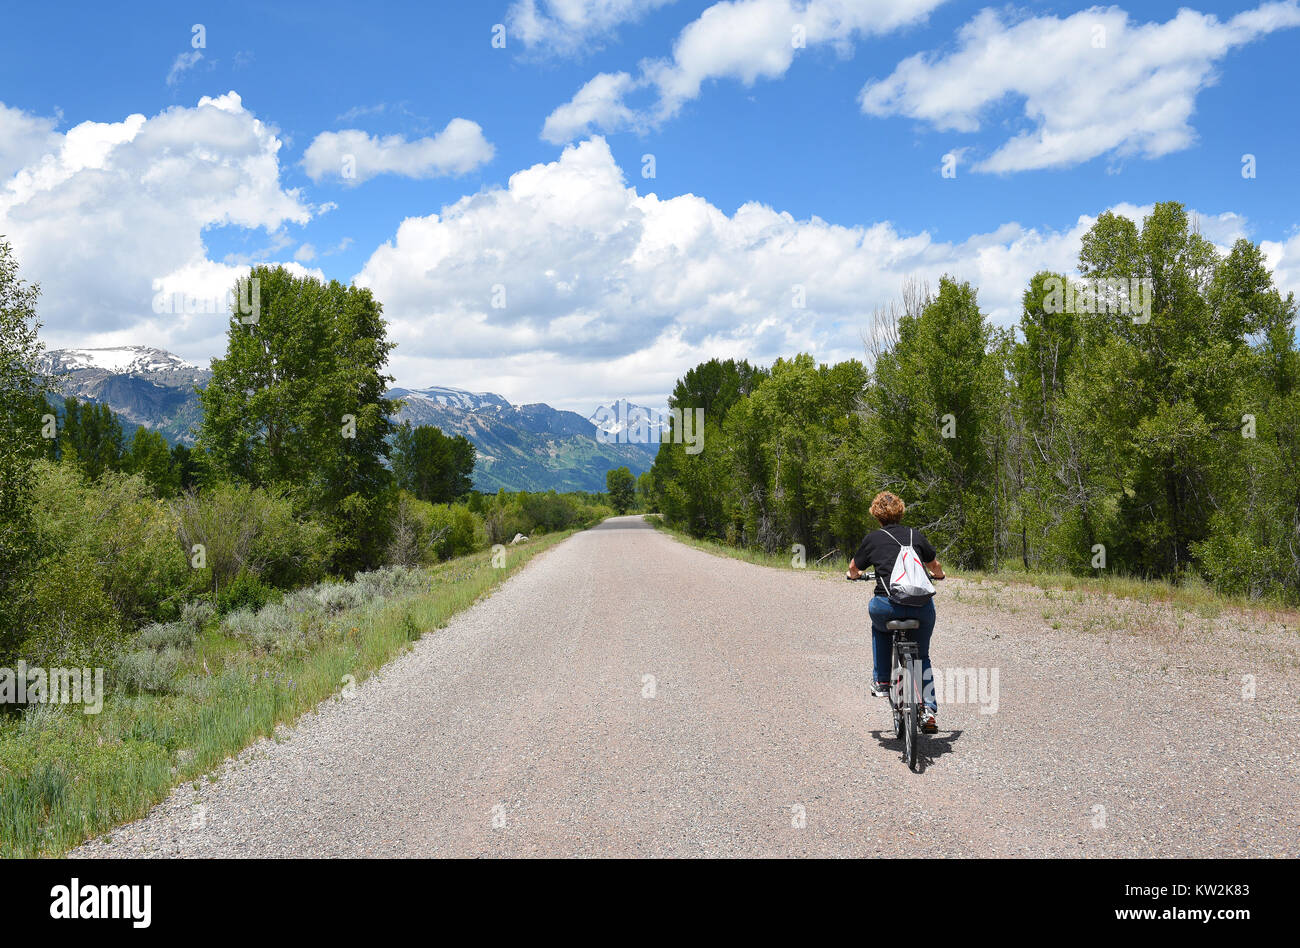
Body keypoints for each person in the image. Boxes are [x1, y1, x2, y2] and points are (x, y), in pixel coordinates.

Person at [847, 491, 946, 732]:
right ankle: (929, 710)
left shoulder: (872, 539)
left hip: (887, 606)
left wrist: (855, 576)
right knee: (922, 655)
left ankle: (882, 680)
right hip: (921, 608)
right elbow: (935, 566)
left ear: (876, 514)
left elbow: (853, 568)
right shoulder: (916, 535)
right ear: (901, 512)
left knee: (879, 626)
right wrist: (938, 575)